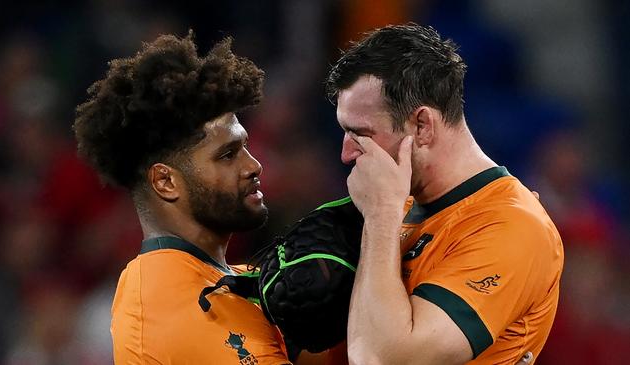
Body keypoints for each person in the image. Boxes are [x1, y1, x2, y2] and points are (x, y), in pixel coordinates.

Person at [325, 23, 563, 364]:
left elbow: (383, 360)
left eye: (360, 134)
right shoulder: (398, 203)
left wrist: (380, 218)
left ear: (422, 125)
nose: (346, 154)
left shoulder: (513, 226)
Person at [73, 32, 291, 364]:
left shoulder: (228, 280)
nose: (254, 165)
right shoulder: (167, 301)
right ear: (165, 181)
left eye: (245, 146)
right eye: (227, 155)